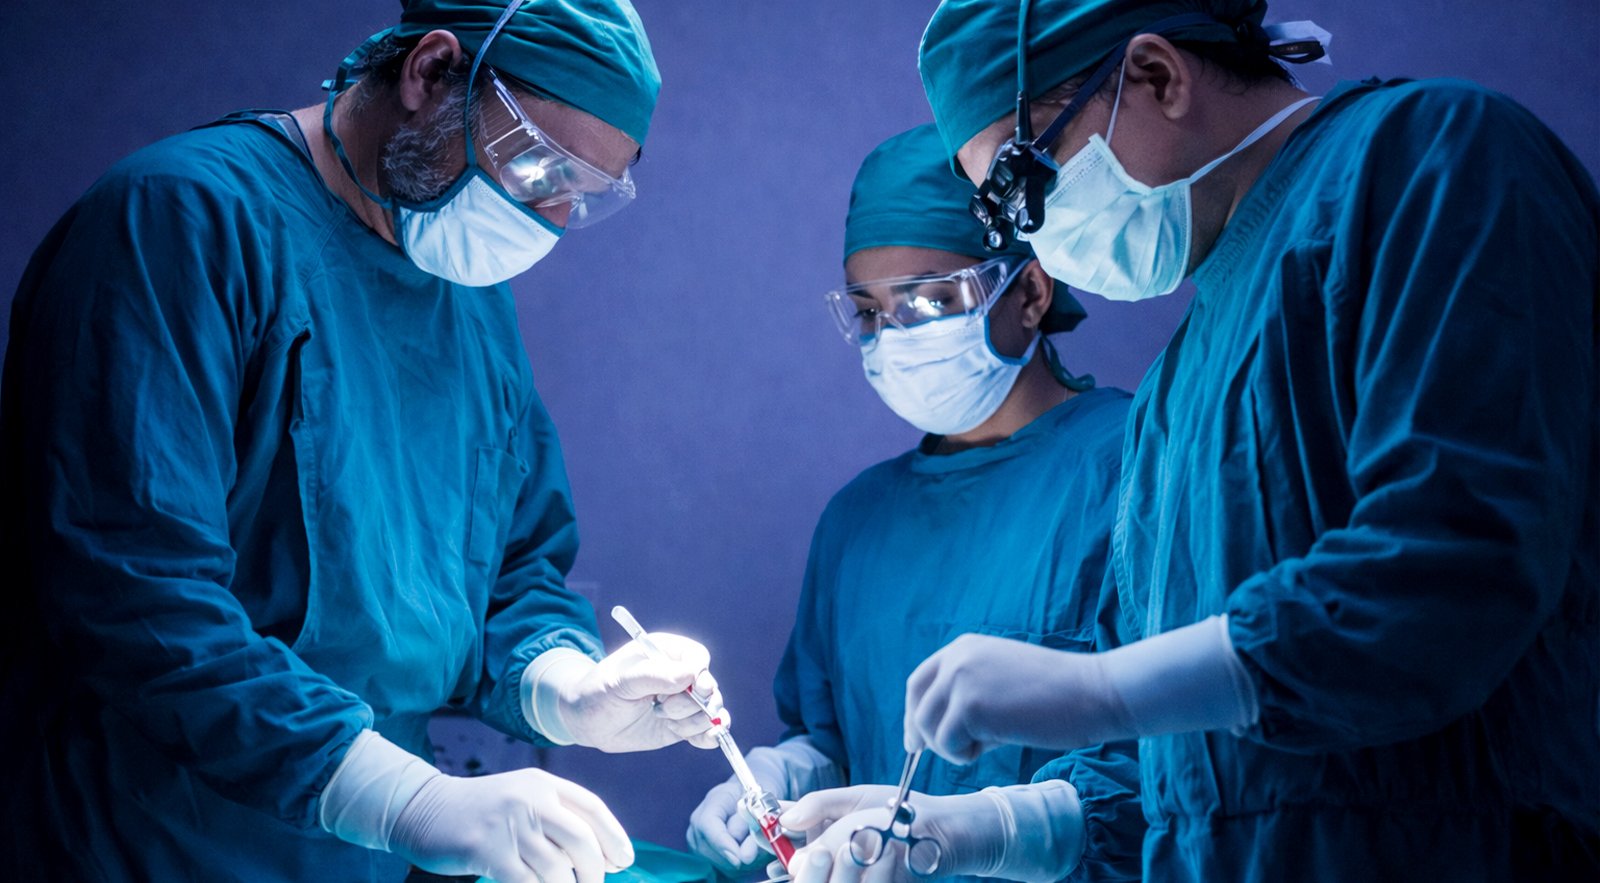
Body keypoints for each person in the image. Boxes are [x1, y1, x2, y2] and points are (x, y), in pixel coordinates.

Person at [0, 2, 728, 881]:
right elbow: (136, 594)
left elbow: (512, 566)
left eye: (584, 195)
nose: (556, 219)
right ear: (429, 73)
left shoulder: (465, 294)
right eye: (539, 166)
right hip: (151, 842)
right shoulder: (179, 221)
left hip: (360, 860)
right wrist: (407, 799)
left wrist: (568, 687)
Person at [899, 0, 1600, 879]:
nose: (1030, 232)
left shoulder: (1436, 157)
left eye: (1022, 178)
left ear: (1157, 75)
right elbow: (1189, 771)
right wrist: (994, 825)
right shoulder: (1174, 391)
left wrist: (1100, 690)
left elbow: (1455, 571)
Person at [686, 124, 1144, 883]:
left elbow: (1196, 763)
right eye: (869, 312)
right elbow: (833, 731)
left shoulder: (1140, 466)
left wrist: (1003, 829)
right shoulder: (857, 520)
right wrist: (783, 776)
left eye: (929, 300)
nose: (895, 336)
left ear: (1029, 290)